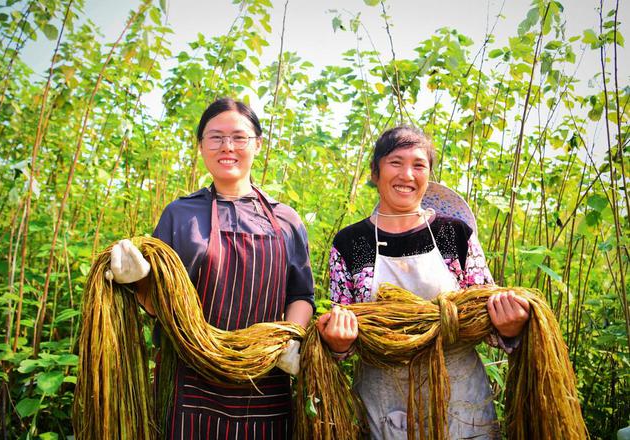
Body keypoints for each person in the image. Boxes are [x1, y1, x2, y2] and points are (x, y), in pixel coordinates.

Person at [107, 98, 315, 439]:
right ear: (201, 146)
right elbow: (158, 302)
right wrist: (140, 280)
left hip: (264, 379)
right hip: (190, 379)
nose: (227, 147)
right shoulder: (180, 214)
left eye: (239, 137)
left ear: (258, 144)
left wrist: (287, 340)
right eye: (215, 137)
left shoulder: (285, 219)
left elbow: (301, 294)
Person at [316, 125, 530, 439]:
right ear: (375, 173)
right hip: (384, 401)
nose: (407, 174)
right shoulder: (351, 242)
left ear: (428, 175)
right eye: (395, 162)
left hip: (460, 398)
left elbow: (488, 318)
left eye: (419, 165)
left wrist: (510, 326)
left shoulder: (453, 234)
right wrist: (338, 342)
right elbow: (342, 338)